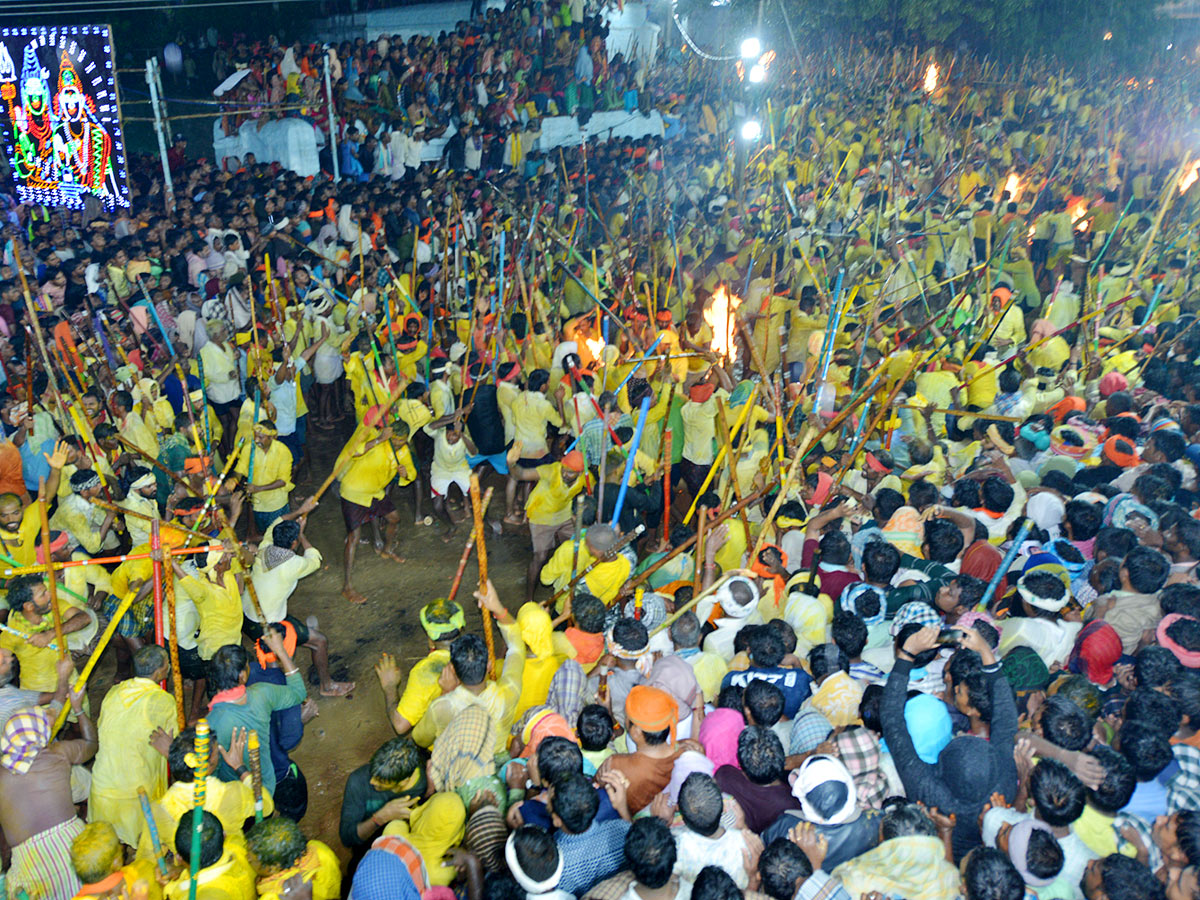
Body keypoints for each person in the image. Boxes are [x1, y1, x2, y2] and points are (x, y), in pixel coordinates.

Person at [0, 691, 95, 900]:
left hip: (28, 865)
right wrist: (78, 708)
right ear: (39, 735)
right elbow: (90, 744)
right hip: (74, 850)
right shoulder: (57, 752)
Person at [86, 645, 177, 847]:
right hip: (135, 795)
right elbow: (175, 745)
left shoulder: (114, 691)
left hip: (102, 786)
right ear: (160, 672)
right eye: (167, 665)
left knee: (107, 851)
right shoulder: (162, 701)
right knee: (142, 851)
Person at [206, 628, 307, 794]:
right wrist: (281, 651)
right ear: (242, 676)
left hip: (233, 793)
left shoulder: (211, 722)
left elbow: (209, 771)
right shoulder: (261, 694)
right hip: (265, 784)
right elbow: (298, 693)